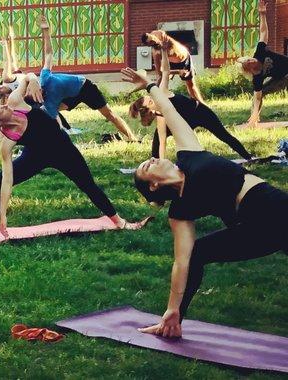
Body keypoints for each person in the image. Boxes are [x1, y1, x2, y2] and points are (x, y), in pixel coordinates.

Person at [121, 66, 287, 338]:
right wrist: (173, 307)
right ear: (153, 184)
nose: (153, 158)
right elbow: (181, 262)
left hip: (273, 207)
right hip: (252, 230)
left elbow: (171, 113)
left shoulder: (189, 155)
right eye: (147, 165)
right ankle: (174, 321)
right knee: (198, 252)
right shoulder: (180, 211)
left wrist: (150, 85)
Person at [0, 72, 140, 244]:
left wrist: (33, 80)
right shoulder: (7, 141)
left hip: (62, 150)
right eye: (0, 109)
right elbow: (7, 181)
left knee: (88, 185)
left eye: (1, 105)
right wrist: (2, 216)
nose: (4, 105)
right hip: (35, 156)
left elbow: (27, 76)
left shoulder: (15, 102)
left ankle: (119, 222)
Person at [129, 46, 251, 160]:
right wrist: (160, 161)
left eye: (149, 97)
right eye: (150, 101)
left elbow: (165, 71)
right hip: (183, 122)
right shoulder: (161, 118)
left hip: (200, 113)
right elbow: (162, 143)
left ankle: (248, 157)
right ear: (149, 109)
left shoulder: (162, 93)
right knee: (157, 142)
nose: (152, 98)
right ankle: (154, 165)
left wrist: (165, 51)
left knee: (224, 136)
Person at [37, 15, 137, 141]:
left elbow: (48, 53)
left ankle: (132, 138)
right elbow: (57, 122)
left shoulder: (45, 78)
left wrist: (46, 30)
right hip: (69, 96)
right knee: (45, 114)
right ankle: (56, 138)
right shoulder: (48, 103)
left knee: (109, 114)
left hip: (85, 87)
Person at [237, 0, 288, 128]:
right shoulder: (257, 79)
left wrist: (263, 15)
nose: (252, 60)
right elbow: (258, 97)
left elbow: (263, 33)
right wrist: (255, 115)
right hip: (281, 78)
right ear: (249, 69)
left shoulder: (259, 52)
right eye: (249, 62)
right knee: (258, 95)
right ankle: (253, 121)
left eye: (249, 59)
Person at [142, 29, 205, 104]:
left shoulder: (160, 34)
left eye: (153, 40)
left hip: (184, 58)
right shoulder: (156, 53)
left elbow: (162, 38)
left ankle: (202, 105)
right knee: (160, 83)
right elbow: (160, 73)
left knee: (190, 85)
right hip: (169, 63)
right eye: (151, 43)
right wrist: (178, 72)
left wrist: (160, 43)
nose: (154, 43)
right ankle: (153, 104)